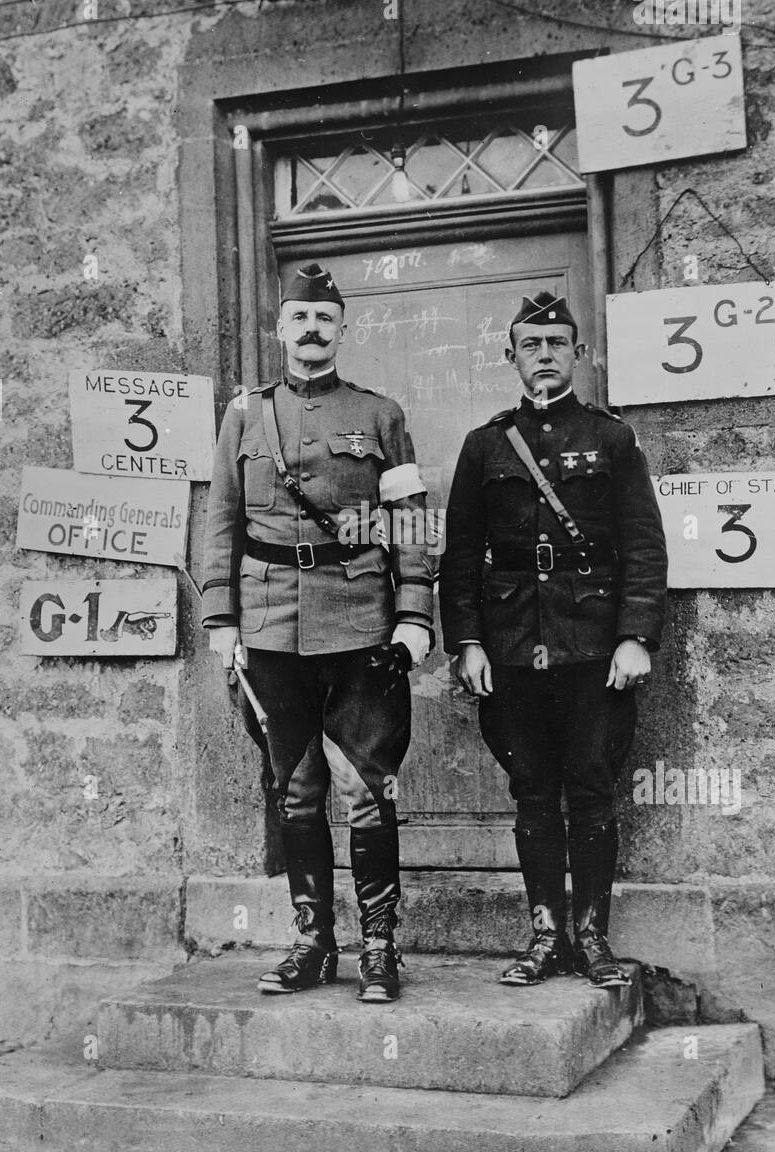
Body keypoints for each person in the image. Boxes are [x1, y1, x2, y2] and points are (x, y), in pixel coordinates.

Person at [201, 262, 436, 1002]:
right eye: (299, 319)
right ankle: (312, 944)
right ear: (281, 331)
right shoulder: (244, 415)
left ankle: (379, 947)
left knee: (366, 793)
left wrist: (415, 616)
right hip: (269, 628)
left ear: (342, 331)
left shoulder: (380, 415)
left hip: (361, 622)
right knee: (296, 794)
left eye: (324, 320)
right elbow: (222, 522)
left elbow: (414, 526)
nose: (311, 330)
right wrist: (220, 618)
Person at [439, 290, 667, 988]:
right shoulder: (484, 445)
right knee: (534, 792)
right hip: (511, 647)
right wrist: (468, 643)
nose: (545, 355)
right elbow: (460, 555)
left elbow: (643, 546)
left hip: (594, 646)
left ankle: (592, 939)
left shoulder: (612, 438)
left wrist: (635, 636)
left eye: (557, 344)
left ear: (578, 353)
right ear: (511, 357)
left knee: (593, 791)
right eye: (531, 346)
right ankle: (544, 937)